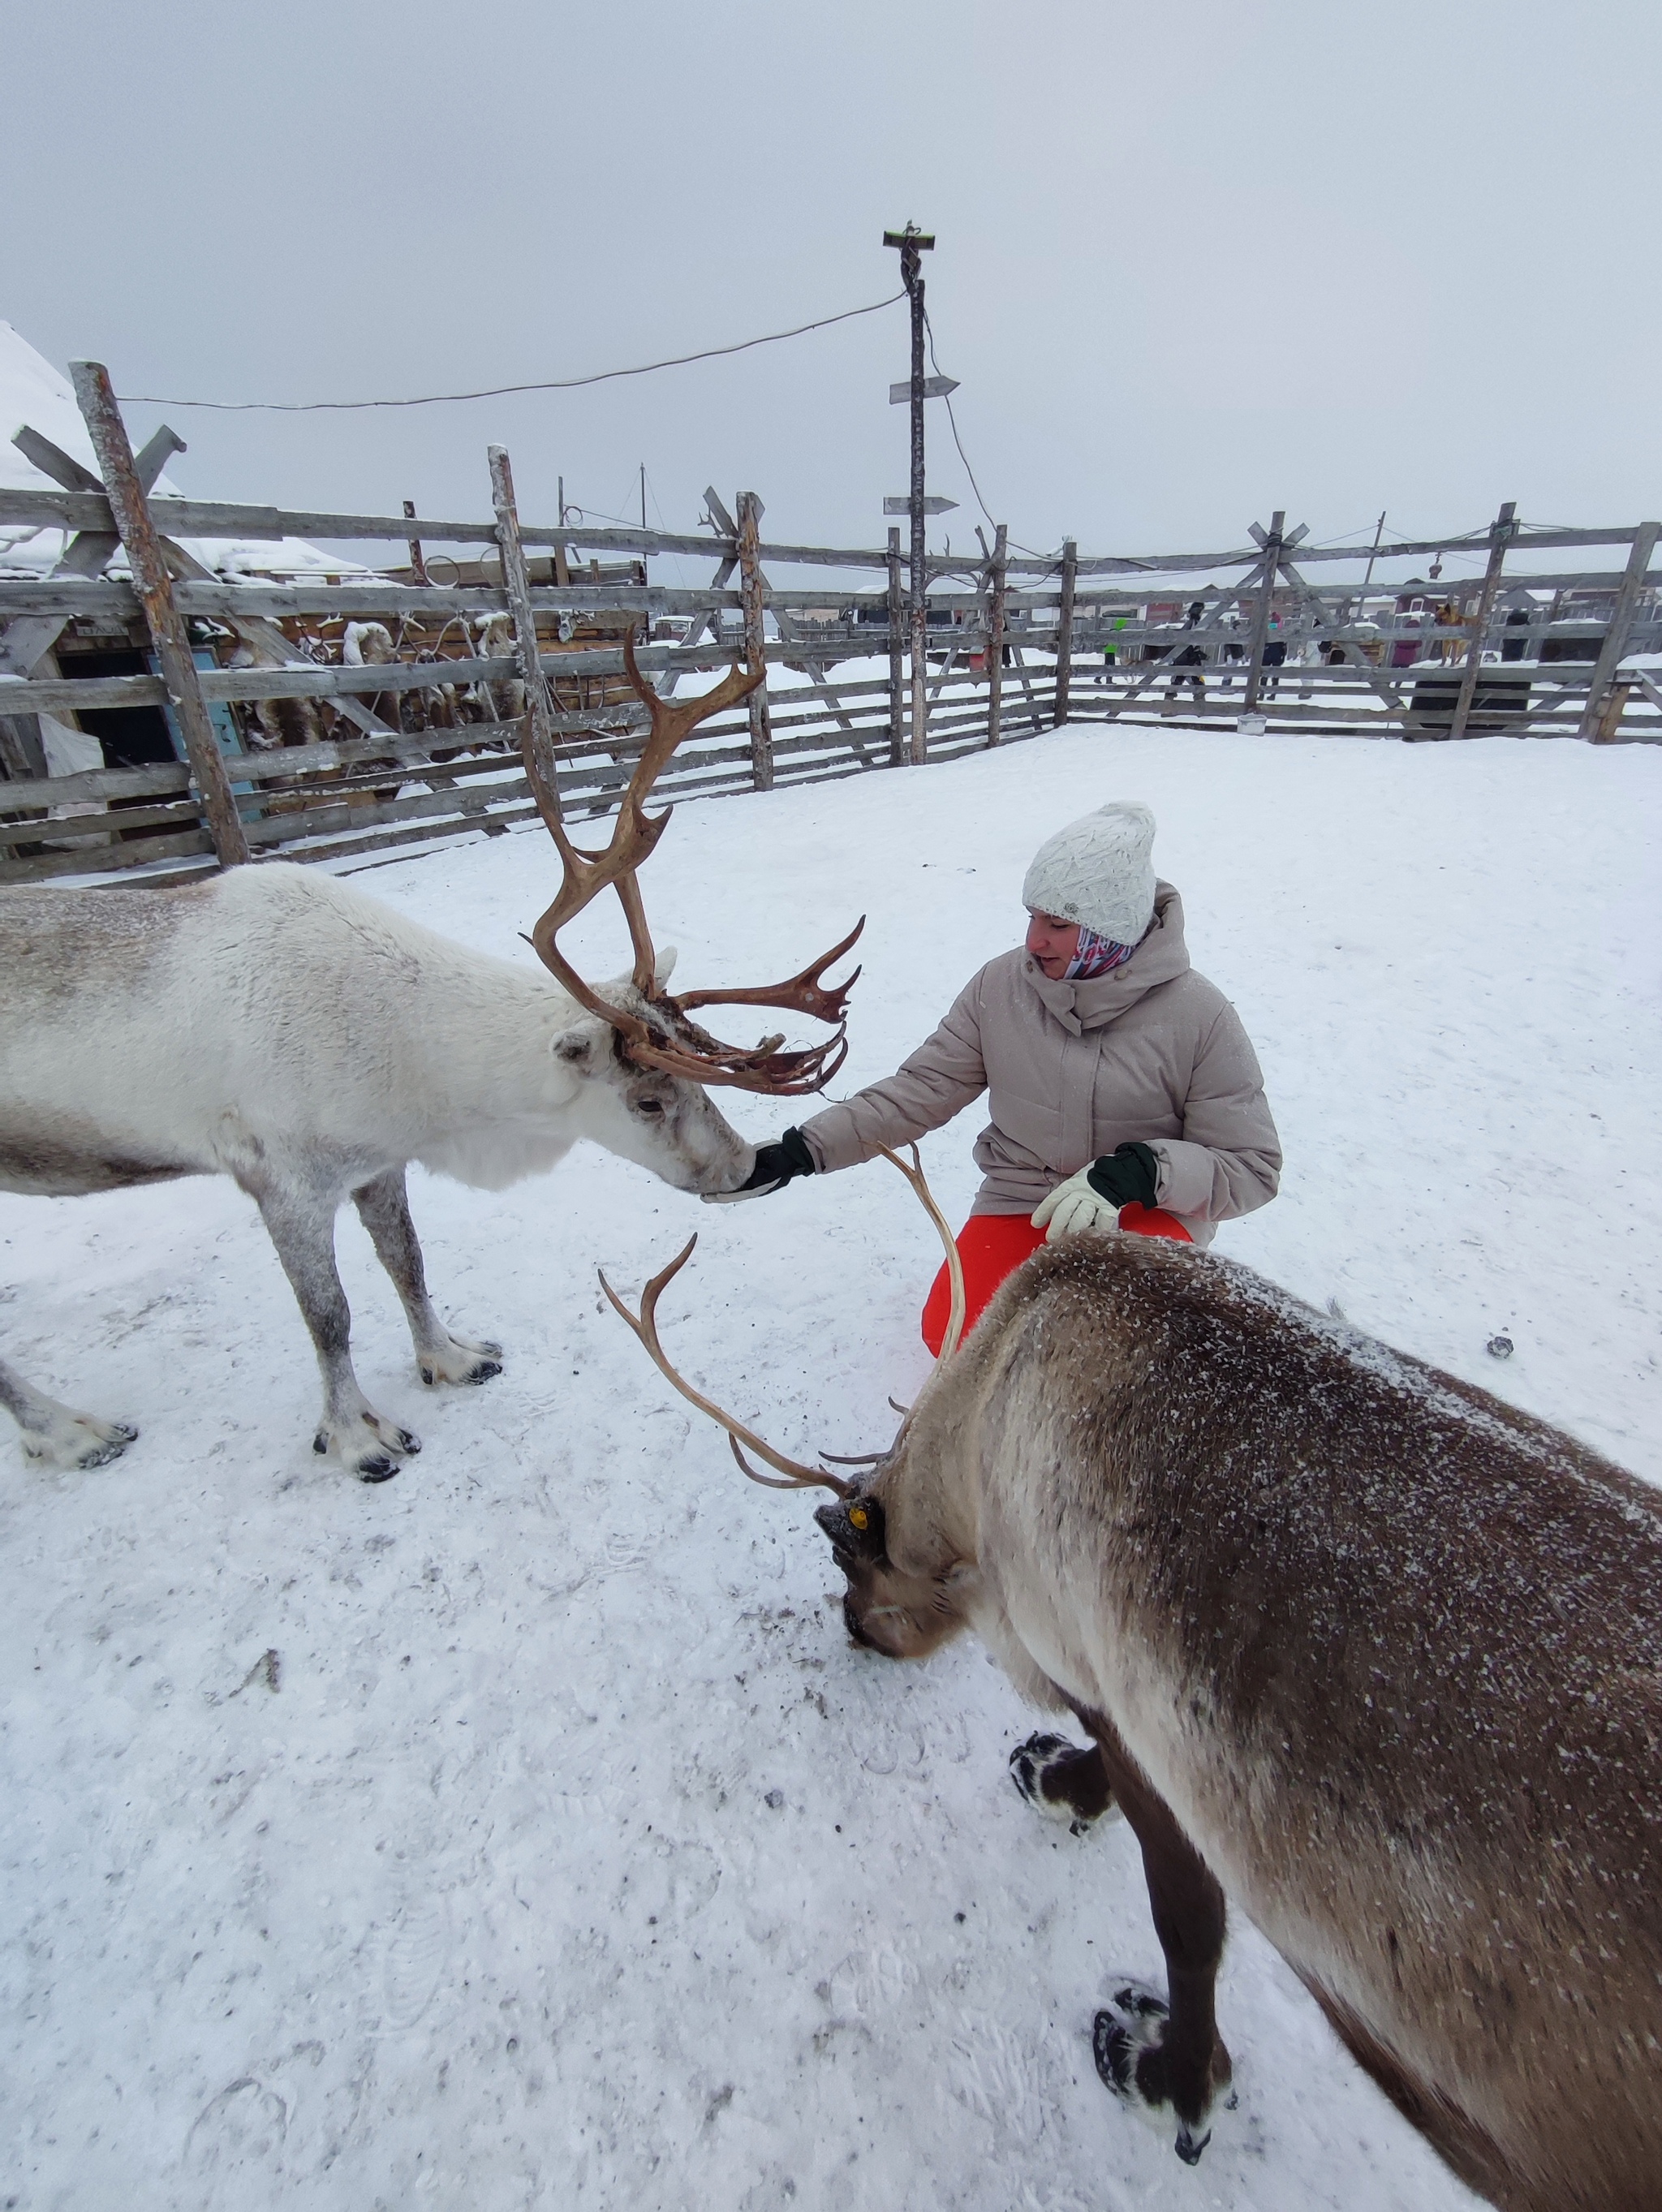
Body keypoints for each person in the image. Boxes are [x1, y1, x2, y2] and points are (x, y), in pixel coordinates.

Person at [719, 803, 1281, 1353]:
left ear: (1111, 930)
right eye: (1032, 916)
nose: (1034, 941)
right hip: (1026, 1195)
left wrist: (1141, 1172)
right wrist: (800, 1152)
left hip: (1145, 1211)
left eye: (1058, 924)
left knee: (1112, 1359)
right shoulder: (1001, 987)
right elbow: (921, 1090)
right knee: (960, 1337)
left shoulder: (1199, 1015)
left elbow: (1251, 1167)